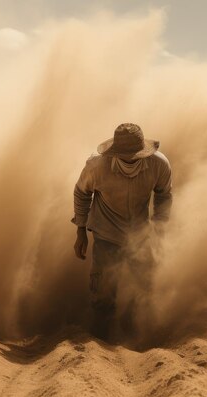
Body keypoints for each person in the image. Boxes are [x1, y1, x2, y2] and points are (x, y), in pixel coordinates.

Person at [72, 123, 172, 339]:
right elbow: (81, 193)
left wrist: (159, 228)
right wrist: (81, 230)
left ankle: (140, 337)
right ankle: (100, 341)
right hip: (106, 233)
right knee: (103, 294)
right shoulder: (97, 167)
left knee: (144, 288)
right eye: (126, 155)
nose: (131, 159)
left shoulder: (159, 165)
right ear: (115, 152)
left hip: (141, 234)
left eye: (135, 155)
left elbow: (164, 194)